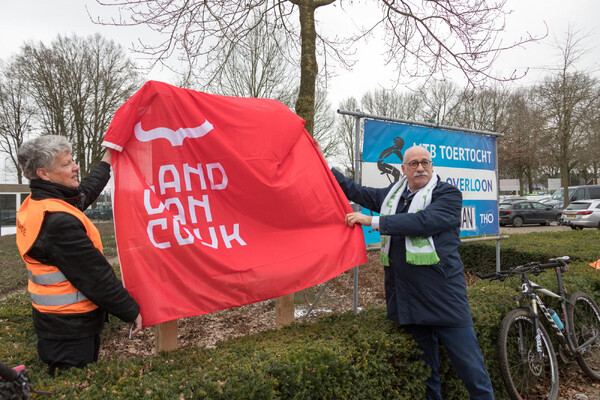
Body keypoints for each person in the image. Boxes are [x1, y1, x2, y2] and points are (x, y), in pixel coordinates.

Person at [330, 144, 494, 400]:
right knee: (427, 376)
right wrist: (323, 164)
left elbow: (424, 222)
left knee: (472, 372)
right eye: (414, 164)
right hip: (410, 300)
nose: (420, 168)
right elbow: (358, 191)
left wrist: (373, 221)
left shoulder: (448, 194)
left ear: (432, 166)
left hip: (445, 299)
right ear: (403, 169)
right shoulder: (394, 194)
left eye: (425, 162)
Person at [15, 135, 142, 375]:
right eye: (66, 164)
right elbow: (94, 276)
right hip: (70, 330)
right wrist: (130, 310)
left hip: (55, 323)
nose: (76, 167)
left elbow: (84, 192)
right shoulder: (57, 222)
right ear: (44, 174)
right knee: (70, 382)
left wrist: (109, 156)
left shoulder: (40, 202)